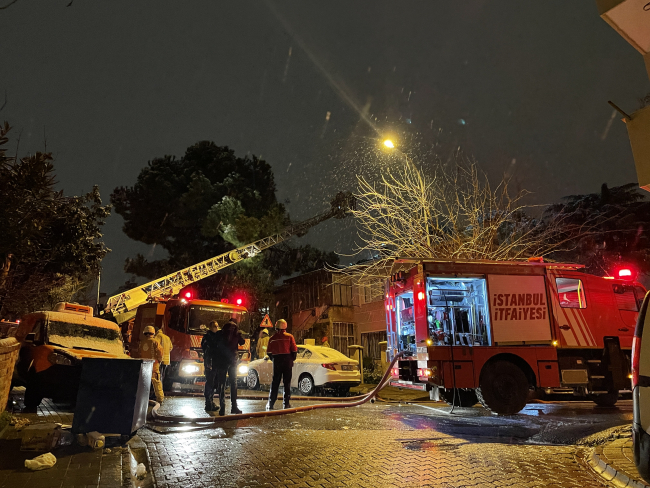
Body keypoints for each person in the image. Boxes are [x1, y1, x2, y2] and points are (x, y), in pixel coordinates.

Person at [214, 317, 245, 416]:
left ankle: (222, 408)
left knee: (221, 384)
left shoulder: (220, 332)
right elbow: (242, 342)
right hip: (232, 361)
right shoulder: (237, 333)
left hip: (221, 361)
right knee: (233, 383)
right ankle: (234, 407)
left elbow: (215, 343)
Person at [266, 319, 298, 410]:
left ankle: (271, 403)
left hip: (277, 361)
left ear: (276, 327)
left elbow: (269, 352)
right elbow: (294, 350)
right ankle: (286, 403)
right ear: (285, 326)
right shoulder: (289, 337)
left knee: (275, 382)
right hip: (287, 361)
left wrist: (274, 359)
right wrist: (291, 359)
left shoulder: (272, 338)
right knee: (287, 383)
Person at [132, 325, 164, 403]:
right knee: (156, 383)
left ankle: (143, 398)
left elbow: (139, 353)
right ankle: (160, 399)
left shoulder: (142, 342)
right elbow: (160, 353)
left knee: (144, 383)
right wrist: (159, 361)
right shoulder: (155, 342)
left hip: (144, 365)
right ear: (153, 333)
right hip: (154, 365)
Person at [201, 321, 220, 411]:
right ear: (211, 327)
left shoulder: (211, 337)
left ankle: (210, 401)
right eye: (215, 326)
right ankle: (208, 403)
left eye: (217, 326)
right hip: (210, 363)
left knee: (213, 383)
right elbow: (208, 350)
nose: (216, 328)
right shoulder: (208, 337)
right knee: (210, 382)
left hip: (214, 363)